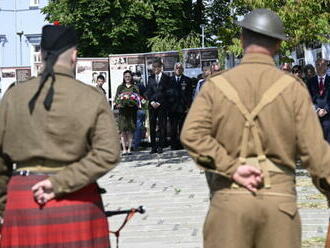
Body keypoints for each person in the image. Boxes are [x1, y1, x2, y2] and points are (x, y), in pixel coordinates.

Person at [181, 8, 330, 248]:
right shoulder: (292, 88)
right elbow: (316, 153)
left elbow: (192, 135)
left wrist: (231, 167)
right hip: (278, 203)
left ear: (241, 40)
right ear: (279, 45)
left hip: (229, 200)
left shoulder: (215, 86)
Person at [0, 24, 120, 247]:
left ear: (41, 54)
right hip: (78, 198)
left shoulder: (12, 97)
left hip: (23, 198)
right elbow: (109, 153)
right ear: (74, 56)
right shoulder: (91, 96)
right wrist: (60, 182)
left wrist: (6, 204)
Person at [145, 59, 171, 154]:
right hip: (152, 106)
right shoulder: (150, 78)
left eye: (157, 67)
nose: (155, 69)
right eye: (153, 67)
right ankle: (153, 147)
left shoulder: (166, 78)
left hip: (162, 105)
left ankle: (161, 146)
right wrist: (151, 101)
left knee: (162, 126)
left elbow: (167, 92)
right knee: (152, 126)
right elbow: (148, 91)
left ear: (161, 67)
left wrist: (159, 102)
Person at [168, 62, 193, 150]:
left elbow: (189, 95)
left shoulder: (187, 80)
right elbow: (167, 95)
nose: (178, 69)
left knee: (182, 127)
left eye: (180, 68)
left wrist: (189, 107)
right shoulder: (169, 80)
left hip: (183, 108)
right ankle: (174, 145)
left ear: (183, 69)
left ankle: (182, 144)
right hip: (172, 108)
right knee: (173, 127)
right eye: (177, 68)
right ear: (174, 70)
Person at [115, 70, 139, 155]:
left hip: (131, 112)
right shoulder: (120, 87)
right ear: (123, 77)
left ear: (131, 77)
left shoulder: (135, 87)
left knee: (130, 130)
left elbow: (138, 100)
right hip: (122, 112)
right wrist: (119, 104)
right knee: (122, 130)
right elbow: (116, 100)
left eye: (129, 76)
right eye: (126, 76)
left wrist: (133, 102)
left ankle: (129, 149)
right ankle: (124, 149)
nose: (127, 78)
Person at [307, 58, 330, 142]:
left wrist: (326, 110)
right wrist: (317, 110)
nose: (320, 66)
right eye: (317, 64)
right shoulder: (310, 82)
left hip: (328, 118)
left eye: (323, 64)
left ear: (326, 67)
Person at [132, 71, 146, 151]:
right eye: (139, 76)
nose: (140, 77)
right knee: (138, 127)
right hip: (139, 109)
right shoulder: (140, 85)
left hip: (132, 109)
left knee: (134, 127)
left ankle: (134, 144)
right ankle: (136, 145)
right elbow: (145, 95)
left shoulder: (129, 86)